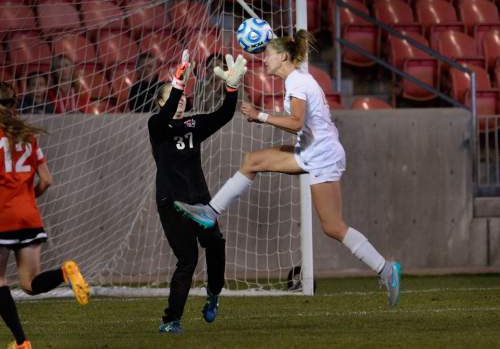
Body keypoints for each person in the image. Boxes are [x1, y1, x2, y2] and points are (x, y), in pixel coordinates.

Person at [174, 30, 402, 306]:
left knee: (333, 227)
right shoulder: (295, 80)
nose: (264, 60)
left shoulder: (297, 82)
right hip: (311, 151)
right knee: (252, 161)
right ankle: (210, 212)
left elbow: (295, 122)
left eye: (268, 55)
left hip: (323, 157)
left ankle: (386, 269)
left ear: (283, 56)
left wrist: (261, 116)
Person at [148, 50, 247, 333]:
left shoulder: (192, 125)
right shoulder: (156, 125)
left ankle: (213, 295)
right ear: (160, 103)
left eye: (180, 99)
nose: (179, 105)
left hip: (199, 202)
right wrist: (178, 83)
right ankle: (171, 320)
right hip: (171, 202)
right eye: (172, 99)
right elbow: (166, 117)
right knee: (188, 259)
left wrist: (231, 88)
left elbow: (225, 114)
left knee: (215, 244)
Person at [0, 82, 90, 349]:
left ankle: (22, 342)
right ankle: (65, 272)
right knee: (29, 284)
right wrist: (27, 198)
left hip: (3, 217)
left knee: (0, 281)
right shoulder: (28, 137)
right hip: (29, 217)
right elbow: (47, 180)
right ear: (14, 105)